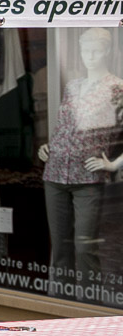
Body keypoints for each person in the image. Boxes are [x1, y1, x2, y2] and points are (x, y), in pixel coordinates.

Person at [39, 27, 123, 295]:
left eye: (96, 50)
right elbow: (65, 126)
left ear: (107, 51)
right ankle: (59, 307)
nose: (90, 56)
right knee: (60, 249)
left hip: (88, 178)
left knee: (85, 247)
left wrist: (114, 164)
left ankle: (89, 309)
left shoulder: (117, 88)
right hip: (54, 175)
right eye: (86, 50)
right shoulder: (72, 86)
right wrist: (48, 147)